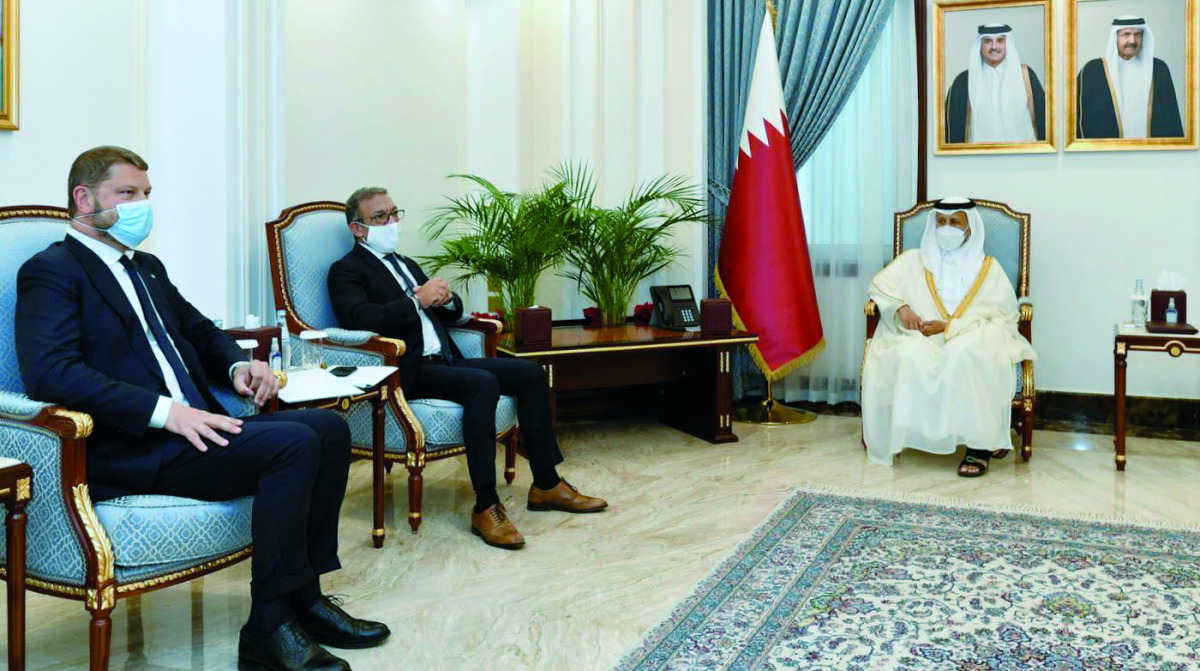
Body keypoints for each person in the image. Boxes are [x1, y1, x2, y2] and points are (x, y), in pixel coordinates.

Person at [15, 146, 389, 671]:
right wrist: (167, 412)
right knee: (295, 441)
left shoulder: (145, 266)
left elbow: (199, 330)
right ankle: (267, 628)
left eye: (146, 195)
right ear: (84, 198)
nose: (141, 206)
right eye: (127, 194)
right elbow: (52, 373)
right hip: (132, 446)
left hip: (195, 431)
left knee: (328, 427)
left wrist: (238, 366)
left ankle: (306, 598)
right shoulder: (51, 271)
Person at [327, 187, 607, 550]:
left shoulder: (406, 264)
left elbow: (447, 312)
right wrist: (416, 300)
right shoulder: (346, 270)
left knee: (530, 373)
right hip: (406, 370)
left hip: (446, 359)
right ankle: (486, 505)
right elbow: (357, 318)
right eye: (380, 216)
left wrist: (447, 298)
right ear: (358, 228)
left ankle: (547, 484)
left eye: (395, 213)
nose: (392, 222)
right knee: (482, 384)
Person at [861, 197, 1036, 477]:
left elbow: (1004, 314)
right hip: (922, 335)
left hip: (971, 335)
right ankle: (914, 435)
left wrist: (950, 327)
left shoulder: (988, 268)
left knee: (966, 353)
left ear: (969, 228)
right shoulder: (913, 260)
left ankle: (979, 446)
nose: (947, 228)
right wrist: (902, 309)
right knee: (907, 352)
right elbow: (880, 286)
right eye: (941, 221)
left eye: (955, 222)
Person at [1077, 16, 1184, 139]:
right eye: (1126, 34)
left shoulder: (1159, 69)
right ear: (1115, 37)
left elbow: (1171, 114)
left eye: (1137, 34)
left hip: (1151, 152)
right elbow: (1079, 117)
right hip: (1107, 154)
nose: (1132, 40)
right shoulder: (1092, 70)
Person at [945, 24, 1046, 143]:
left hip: (1023, 157)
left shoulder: (1026, 76)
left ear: (1007, 44)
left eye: (1000, 41)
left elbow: (1044, 120)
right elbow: (953, 129)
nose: (994, 47)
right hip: (978, 158)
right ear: (980, 46)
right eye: (988, 41)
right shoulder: (963, 81)